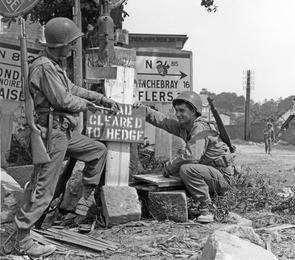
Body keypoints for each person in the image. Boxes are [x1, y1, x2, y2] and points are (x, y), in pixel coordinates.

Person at [14, 17, 119, 258]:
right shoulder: (44, 67)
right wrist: (90, 107)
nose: (73, 49)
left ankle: (82, 201)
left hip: (63, 131)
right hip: (53, 133)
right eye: (71, 44)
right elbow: (64, 100)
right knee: (44, 188)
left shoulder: (54, 64)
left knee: (96, 151)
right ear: (60, 44)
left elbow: (72, 89)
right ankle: (22, 238)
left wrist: (99, 99)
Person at [134, 91, 235, 223]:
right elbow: (162, 121)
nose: (178, 114)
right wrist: (143, 110)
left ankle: (207, 209)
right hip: (211, 173)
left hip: (222, 177)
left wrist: (169, 166)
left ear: (193, 111)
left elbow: (192, 156)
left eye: (182, 110)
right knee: (176, 170)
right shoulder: (186, 127)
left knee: (186, 169)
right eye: (176, 110)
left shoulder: (200, 127)